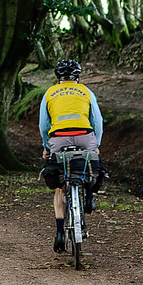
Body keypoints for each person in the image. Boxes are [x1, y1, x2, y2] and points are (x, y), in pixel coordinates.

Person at [39, 59, 105, 254]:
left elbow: (44, 125)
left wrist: (46, 147)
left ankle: (60, 233)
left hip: (59, 140)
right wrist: (96, 144)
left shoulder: (50, 93)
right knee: (92, 166)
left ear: (57, 78)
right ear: (79, 77)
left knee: (60, 185)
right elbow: (97, 120)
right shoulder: (86, 91)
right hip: (85, 137)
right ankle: (90, 197)